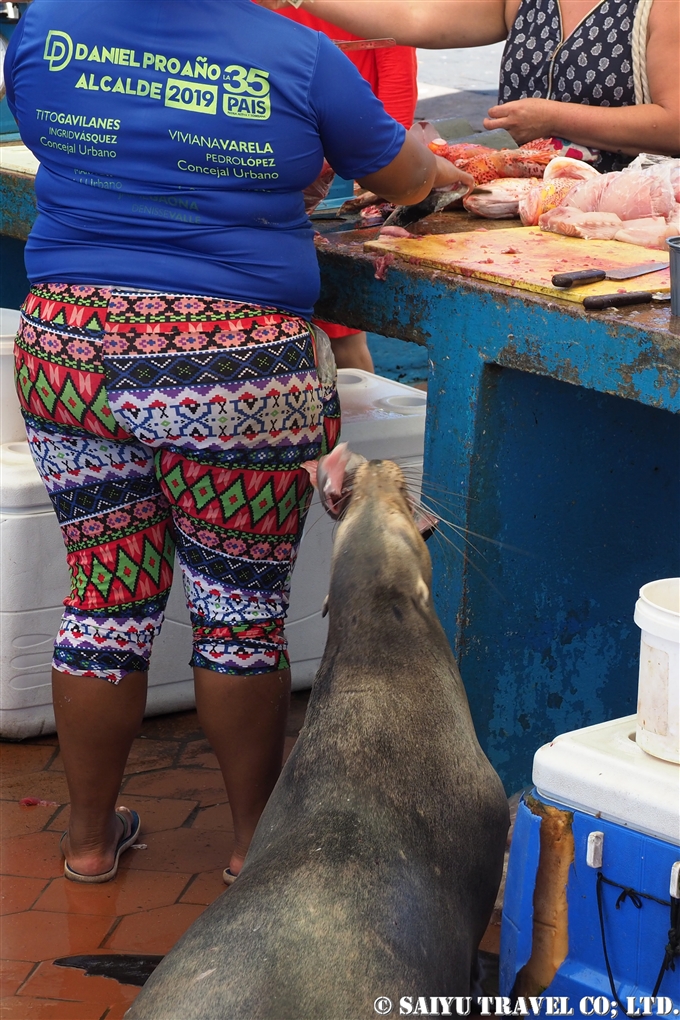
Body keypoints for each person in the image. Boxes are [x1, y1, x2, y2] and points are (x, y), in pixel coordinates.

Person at [5, 0, 470, 885]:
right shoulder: (296, 54)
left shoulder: (46, 28)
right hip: (230, 367)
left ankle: (89, 844)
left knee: (105, 596)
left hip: (68, 350)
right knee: (240, 613)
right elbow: (408, 179)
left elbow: (74, 145)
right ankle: (253, 848)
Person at [260, 0, 680, 172]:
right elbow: (414, 18)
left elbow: (674, 123)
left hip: (637, 223)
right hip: (529, 215)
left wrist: (551, 118)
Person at [279, 6, 419, 371]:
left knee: (343, 338)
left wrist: (383, 159)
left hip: (356, 164)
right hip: (289, 172)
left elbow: (398, 84)